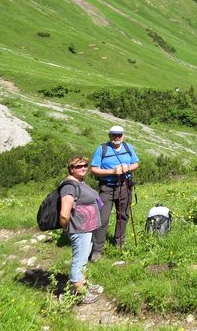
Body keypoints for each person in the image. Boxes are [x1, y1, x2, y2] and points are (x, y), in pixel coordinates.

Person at [89, 125, 139, 261]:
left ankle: (119, 243)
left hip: (125, 186)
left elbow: (136, 163)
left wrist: (128, 168)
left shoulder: (128, 147)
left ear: (123, 136)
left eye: (119, 135)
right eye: (114, 135)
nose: (116, 137)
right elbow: (94, 169)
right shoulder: (102, 149)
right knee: (103, 218)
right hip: (107, 187)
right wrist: (112, 171)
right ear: (109, 136)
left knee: (123, 215)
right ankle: (97, 250)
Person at [59, 156, 103, 304]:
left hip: (86, 228)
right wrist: (66, 228)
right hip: (79, 228)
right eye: (79, 166)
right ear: (71, 169)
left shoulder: (80, 182)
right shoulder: (69, 186)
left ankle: (82, 283)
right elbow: (64, 213)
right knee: (79, 260)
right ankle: (79, 293)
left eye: (85, 165)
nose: (83, 168)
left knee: (83, 259)